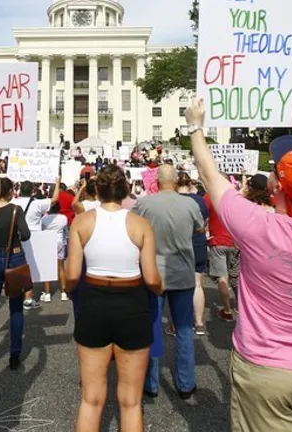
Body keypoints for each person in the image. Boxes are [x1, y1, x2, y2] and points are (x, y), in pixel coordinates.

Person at [188, 99, 292, 432]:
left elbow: (209, 175)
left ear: (277, 186)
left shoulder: (259, 227)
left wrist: (195, 126)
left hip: (264, 368)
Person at [66, 164, 162, 432]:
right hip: (132, 302)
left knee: (91, 398)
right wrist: (160, 290)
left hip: (94, 300)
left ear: (97, 190)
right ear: (126, 189)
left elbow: (72, 274)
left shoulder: (82, 221)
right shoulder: (140, 224)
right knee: (130, 401)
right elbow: (152, 278)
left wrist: (72, 289)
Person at [134, 165, 204, 399]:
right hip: (182, 271)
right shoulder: (190, 203)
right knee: (184, 329)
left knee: (152, 327)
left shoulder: (145, 204)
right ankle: (185, 383)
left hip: (153, 271)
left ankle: (151, 383)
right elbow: (200, 228)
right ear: (175, 181)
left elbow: (132, 228)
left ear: (157, 181)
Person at [0, 177, 31, 374]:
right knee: (16, 309)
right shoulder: (15, 210)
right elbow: (26, 235)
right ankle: (14, 355)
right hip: (14, 258)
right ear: (10, 192)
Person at [12, 178, 60, 307]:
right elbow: (54, 200)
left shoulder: (14, 202)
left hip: (17, 237)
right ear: (33, 191)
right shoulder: (38, 204)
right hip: (35, 237)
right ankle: (28, 297)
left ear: (20, 190)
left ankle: (18, 295)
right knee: (31, 267)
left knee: (17, 266)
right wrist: (57, 183)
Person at [177, 173, 209, 334]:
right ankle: (199, 322)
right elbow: (205, 223)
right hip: (198, 243)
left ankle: (180, 323)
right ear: (190, 184)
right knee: (197, 284)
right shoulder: (200, 200)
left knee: (179, 287)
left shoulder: (173, 200)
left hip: (178, 245)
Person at [206, 185, 239, 322]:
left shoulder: (208, 197)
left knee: (222, 278)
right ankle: (241, 306)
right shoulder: (236, 198)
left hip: (217, 241)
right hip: (235, 242)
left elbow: (204, 218)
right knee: (236, 277)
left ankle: (227, 310)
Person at [42, 201, 70, 301]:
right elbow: (66, 231)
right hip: (60, 241)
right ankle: (63, 292)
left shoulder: (44, 219)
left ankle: (47, 293)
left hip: (48, 241)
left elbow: (41, 230)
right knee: (61, 267)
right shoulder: (63, 218)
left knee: (47, 268)